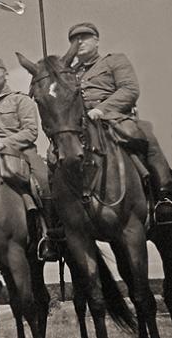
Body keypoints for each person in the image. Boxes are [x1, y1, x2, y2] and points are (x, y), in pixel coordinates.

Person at [68, 22, 172, 224]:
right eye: (74, 39)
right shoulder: (70, 74)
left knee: (145, 133)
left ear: (96, 41)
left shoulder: (114, 61)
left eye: (85, 37)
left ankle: (164, 195)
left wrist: (101, 109)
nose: (79, 42)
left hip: (114, 118)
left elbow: (130, 90)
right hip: (81, 126)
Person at [0, 56, 61, 261]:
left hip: (21, 152)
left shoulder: (21, 100)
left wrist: (5, 143)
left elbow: (31, 132)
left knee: (42, 182)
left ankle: (50, 235)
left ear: (5, 74)